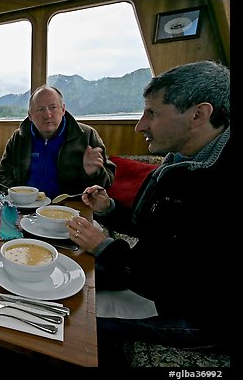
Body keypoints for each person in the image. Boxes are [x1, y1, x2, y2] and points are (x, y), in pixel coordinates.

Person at [65, 61, 232, 364]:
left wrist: (102, 246)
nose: (140, 125)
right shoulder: (180, 161)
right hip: (157, 276)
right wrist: (109, 209)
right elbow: (154, 228)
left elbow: (163, 280)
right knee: (67, 271)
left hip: (199, 314)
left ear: (198, 114)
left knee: (76, 322)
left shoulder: (216, 189)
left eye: (152, 113)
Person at [0, 85, 116, 200]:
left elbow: (107, 182)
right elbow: (4, 175)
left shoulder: (87, 136)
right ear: (30, 115)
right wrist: (19, 197)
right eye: (40, 109)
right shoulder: (18, 138)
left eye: (53, 107)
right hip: (25, 207)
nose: (47, 115)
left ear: (63, 109)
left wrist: (94, 173)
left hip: (71, 208)